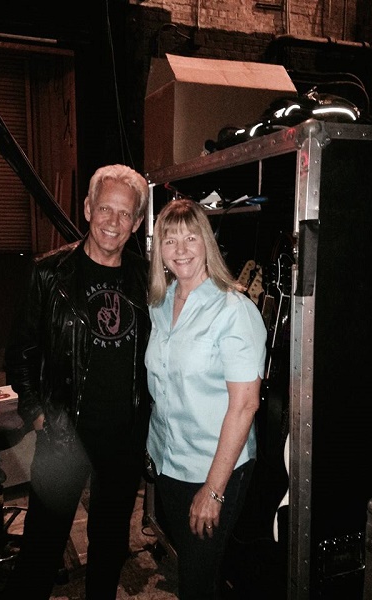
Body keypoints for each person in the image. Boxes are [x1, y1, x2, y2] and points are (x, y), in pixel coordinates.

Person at [2, 164, 151, 600]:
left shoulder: (146, 278)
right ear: (87, 208)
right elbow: (20, 354)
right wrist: (38, 416)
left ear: (137, 222)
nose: (113, 221)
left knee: (109, 550)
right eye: (105, 208)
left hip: (123, 442)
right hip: (62, 437)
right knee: (40, 552)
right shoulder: (49, 274)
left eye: (125, 214)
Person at [145, 198, 267, 600]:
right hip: (168, 463)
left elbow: (245, 405)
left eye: (191, 237)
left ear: (207, 244)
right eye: (170, 239)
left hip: (214, 469)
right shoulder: (160, 303)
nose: (180, 249)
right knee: (193, 570)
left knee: (197, 582)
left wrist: (213, 491)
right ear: (159, 250)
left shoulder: (234, 310)